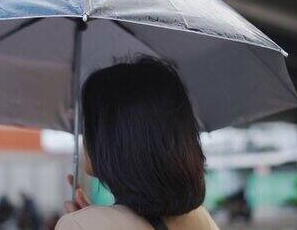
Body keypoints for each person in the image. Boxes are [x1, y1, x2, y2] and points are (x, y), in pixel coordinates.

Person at [56, 56, 219, 230]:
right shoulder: (201, 218)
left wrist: (85, 222)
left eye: (88, 124)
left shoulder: (78, 225)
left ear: (112, 139)